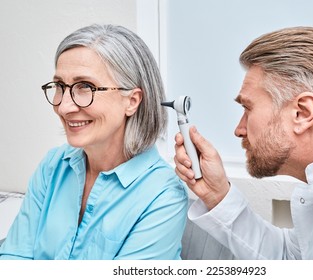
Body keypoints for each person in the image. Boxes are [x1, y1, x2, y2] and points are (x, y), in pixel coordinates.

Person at [174, 26, 313, 259]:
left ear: (302, 113)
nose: (239, 130)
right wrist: (217, 195)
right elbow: (289, 260)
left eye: (247, 108)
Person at [0, 24, 188, 260]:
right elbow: (14, 258)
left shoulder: (163, 195)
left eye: (85, 87)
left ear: (132, 100)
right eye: (60, 86)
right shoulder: (54, 165)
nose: (64, 107)